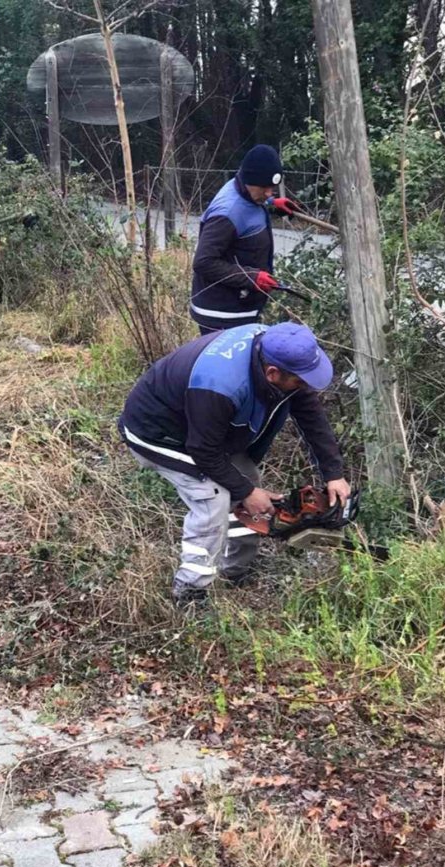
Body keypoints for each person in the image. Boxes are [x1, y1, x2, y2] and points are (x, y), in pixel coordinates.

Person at [119, 322, 351, 607]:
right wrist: (246, 492)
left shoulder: (279, 351)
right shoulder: (219, 385)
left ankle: (235, 570)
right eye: (300, 381)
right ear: (272, 373)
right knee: (214, 496)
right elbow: (203, 451)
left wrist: (333, 473)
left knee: (247, 478)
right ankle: (190, 593)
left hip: (201, 428)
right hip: (156, 433)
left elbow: (310, 414)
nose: (304, 387)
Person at [190, 144, 300, 335]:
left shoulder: (246, 191)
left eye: (272, 189)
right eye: (264, 189)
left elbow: (249, 209)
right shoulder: (226, 214)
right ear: (249, 180)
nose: (268, 193)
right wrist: (252, 277)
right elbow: (203, 262)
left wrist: (272, 204)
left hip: (241, 306)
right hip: (222, 314)